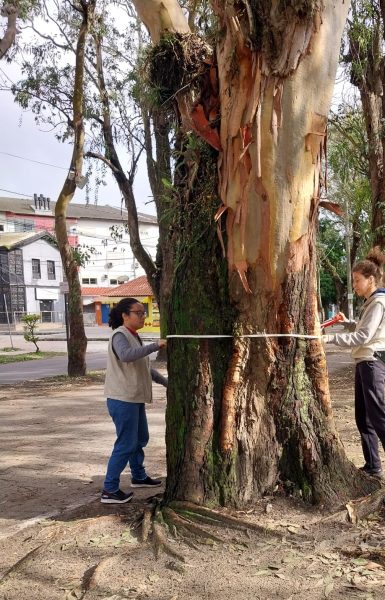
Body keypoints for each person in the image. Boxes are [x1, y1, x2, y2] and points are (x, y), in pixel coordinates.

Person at [323, 247, 385, 477]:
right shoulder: (371, 303)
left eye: (358, 280)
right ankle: (373, 466)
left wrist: (329, 339)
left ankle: (374, 466)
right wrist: (347, 322)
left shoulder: (378, 302)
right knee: (363, 418)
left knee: (378, 417)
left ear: (371, 279)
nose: (355, 285)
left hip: (371, 363)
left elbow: (364, 337)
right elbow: (361, 329)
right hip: (364, 363)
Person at [101, 297, 168, 504]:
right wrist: (155, 346)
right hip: (122, 398)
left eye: (143, 312)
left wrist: (166, 383)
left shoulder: (134, 336)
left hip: (133, 398)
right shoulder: (120, 335)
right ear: (125, 315)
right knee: (126, 443)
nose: (142, 316)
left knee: (140, 438)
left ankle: (138, 476)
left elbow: (144, 368)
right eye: (138, 312)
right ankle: (109, 490)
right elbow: (126, 356)